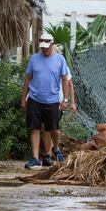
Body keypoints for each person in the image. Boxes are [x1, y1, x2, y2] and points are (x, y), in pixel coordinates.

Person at [21, 34, 69, 169]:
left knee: (53, 129)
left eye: (47, 48)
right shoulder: (34, 58)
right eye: (42, 48)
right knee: (34, 129)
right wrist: (23, 97)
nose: (44, 50)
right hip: (35, 98)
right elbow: (28, 78)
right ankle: (36, 158)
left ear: (52, 45)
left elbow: (65, 80)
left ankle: (56, 149)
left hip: (53, 100)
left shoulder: (60, 59)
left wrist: (65, 99)